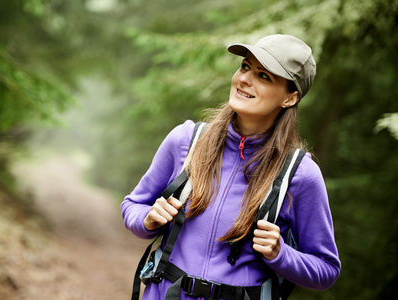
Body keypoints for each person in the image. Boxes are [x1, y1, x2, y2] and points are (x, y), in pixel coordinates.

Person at [121, 34, 341, 300]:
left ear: (290, 98)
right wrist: (147, 220)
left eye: (264, 76)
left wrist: (280, 254)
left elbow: (326, 270)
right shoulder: (186, 141)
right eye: (245, 66)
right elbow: (133, 205)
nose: (245, 79)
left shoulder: (300, 174)